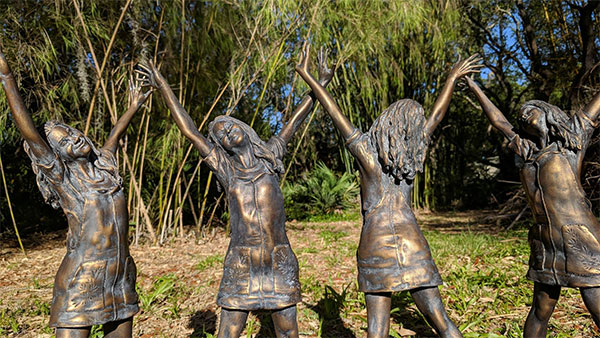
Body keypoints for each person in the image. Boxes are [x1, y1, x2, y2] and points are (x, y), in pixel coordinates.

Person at [137, 45, 333, 338]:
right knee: (229, 331)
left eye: (228, 125)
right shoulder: (226, 170)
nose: (227, 132)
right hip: (242, 259)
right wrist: (163, 85)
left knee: (288, 330)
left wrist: (321, 81)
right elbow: (190, 131)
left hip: (278, 257)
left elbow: (295, 119)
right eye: (221, 135)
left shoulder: (271, 154)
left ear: (242, 127)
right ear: (221, 146)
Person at [295, 49, 481, 338]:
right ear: (412, 131)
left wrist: (313, 79)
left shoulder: (367, 155)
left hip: (375, 246)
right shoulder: (409, 158)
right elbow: (436, 116)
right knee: (441, 321)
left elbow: (336, 115)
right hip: (413, 242)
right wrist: (451, 80)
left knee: (377, 329)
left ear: (387, 122)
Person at [0, 48, 151, 337]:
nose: (75, 137)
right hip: (83, 276)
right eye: (65, 141)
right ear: (57, 155)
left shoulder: (105, 166)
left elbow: (114, 136)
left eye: (73, 132)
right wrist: (6, 77)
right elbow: (30, 134)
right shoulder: (64, 178)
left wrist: (133, 105)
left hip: (119, 274)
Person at [466, 76, 600, 337]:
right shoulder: (525, 150)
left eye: (530, 110)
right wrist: (474, 87)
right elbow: (499, 121)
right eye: (521, 115)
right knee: (540, 309)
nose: (523, 116)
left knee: (596, 305)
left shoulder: (572, 141)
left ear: (548, 114)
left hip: (582, 241)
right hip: (546, 244)